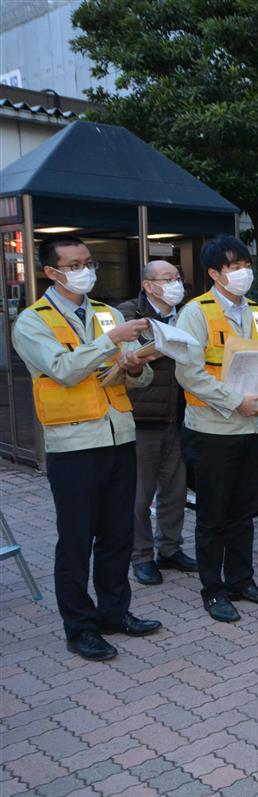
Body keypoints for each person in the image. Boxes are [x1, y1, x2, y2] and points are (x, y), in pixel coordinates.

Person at [13, 234, 162, 661]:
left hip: (119, 436)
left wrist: (133, 366)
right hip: (73, 442)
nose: (85, 270)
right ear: (52, 272)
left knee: (117, 534)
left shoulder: (106, 313)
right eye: (74, 264)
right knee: (77, 539)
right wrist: (111, 341)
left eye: (88, 262)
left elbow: (141, 379)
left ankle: (115, 613)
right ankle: (80, 627)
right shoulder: (32, 321)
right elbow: (61, 370)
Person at [175, 235, 258, 623]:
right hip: (212, 429)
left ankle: (242, 580)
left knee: (243, 510)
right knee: (213, 514)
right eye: (234, 267)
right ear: (213, 273)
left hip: (251, 428)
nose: (243, 273)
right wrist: (232, 400)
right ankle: (213, 589)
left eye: (245, 265)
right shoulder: (195, 313)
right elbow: (188, 373)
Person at [116, 260, 197, 586]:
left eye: (177, 278)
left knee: (175, 491)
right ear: (149, 285)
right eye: (167, 278)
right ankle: (142, 556)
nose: (175, 284)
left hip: (178, 415)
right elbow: (123, 360)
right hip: (141, 417)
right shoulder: (127, 315)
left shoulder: (186, 315)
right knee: (140, 495)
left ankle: (170, 549)